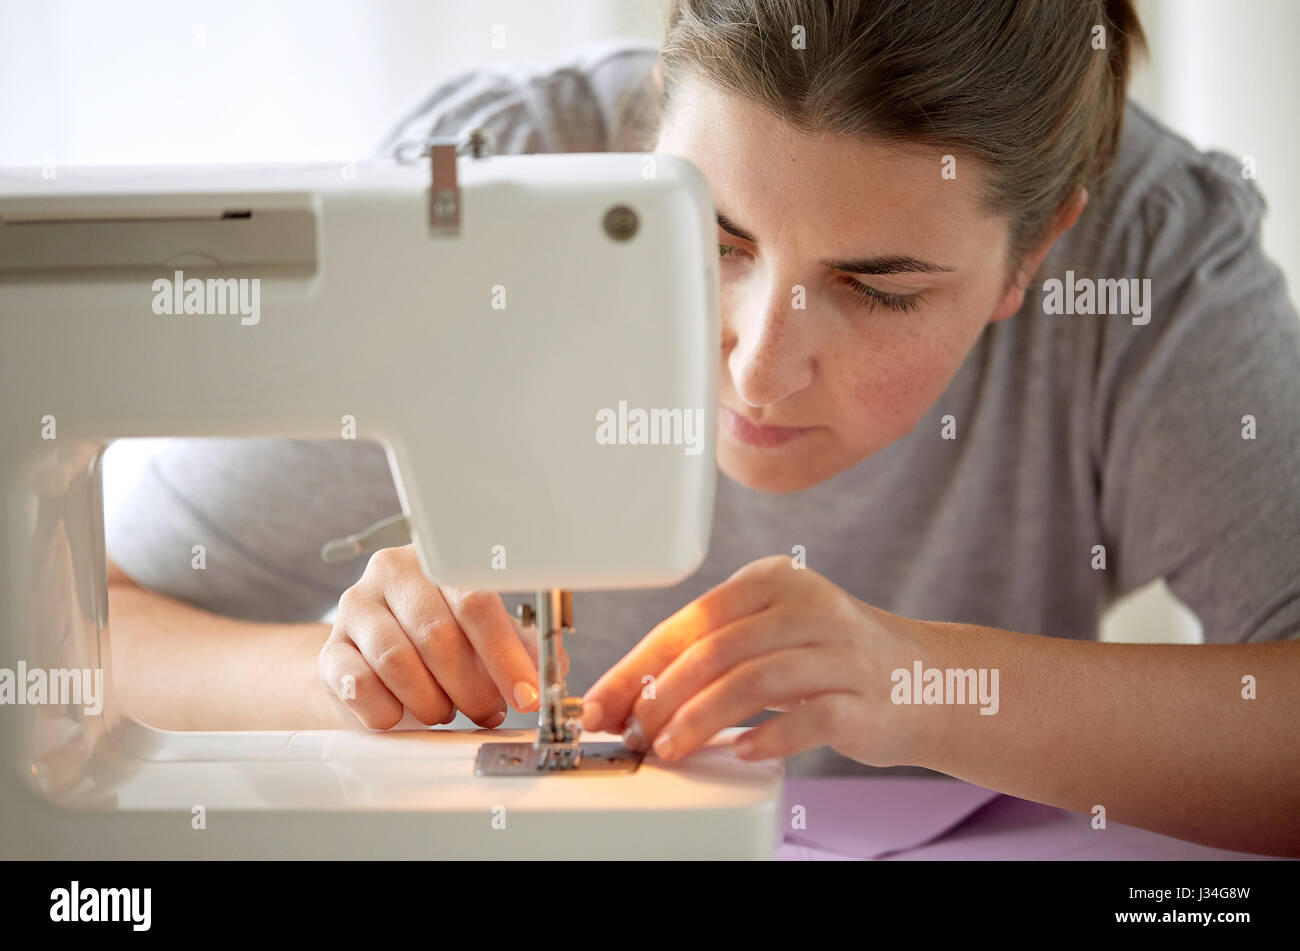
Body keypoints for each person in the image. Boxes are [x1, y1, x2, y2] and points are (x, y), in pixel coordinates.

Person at [106, 0, 1300, 856]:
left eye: (878, 289)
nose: (757, 366)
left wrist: (922, 685)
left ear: (1034, 255)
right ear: (648, 130)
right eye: (713, 242)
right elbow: (86, 622)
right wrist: (333, 685)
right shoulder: (486, 197)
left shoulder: (1149, 265)